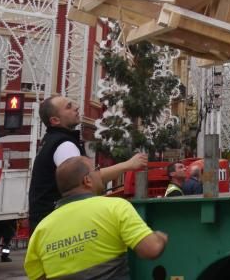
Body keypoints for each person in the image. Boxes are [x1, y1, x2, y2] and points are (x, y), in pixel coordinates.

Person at [25, 156, 167, 279]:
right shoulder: (115, 208)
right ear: (87, 180)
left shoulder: (41, 231)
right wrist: (161, 237)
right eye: (97, 169)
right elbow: (151, 249)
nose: (100, 173)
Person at [28, 95, 147, 230]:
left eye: (72, 103)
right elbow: (86, 180)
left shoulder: (51, 141)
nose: (76, 107)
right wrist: (128, 165)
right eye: (69, 107)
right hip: (57, 224)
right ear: (55, 120)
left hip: (48, 222)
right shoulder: (64, 145)